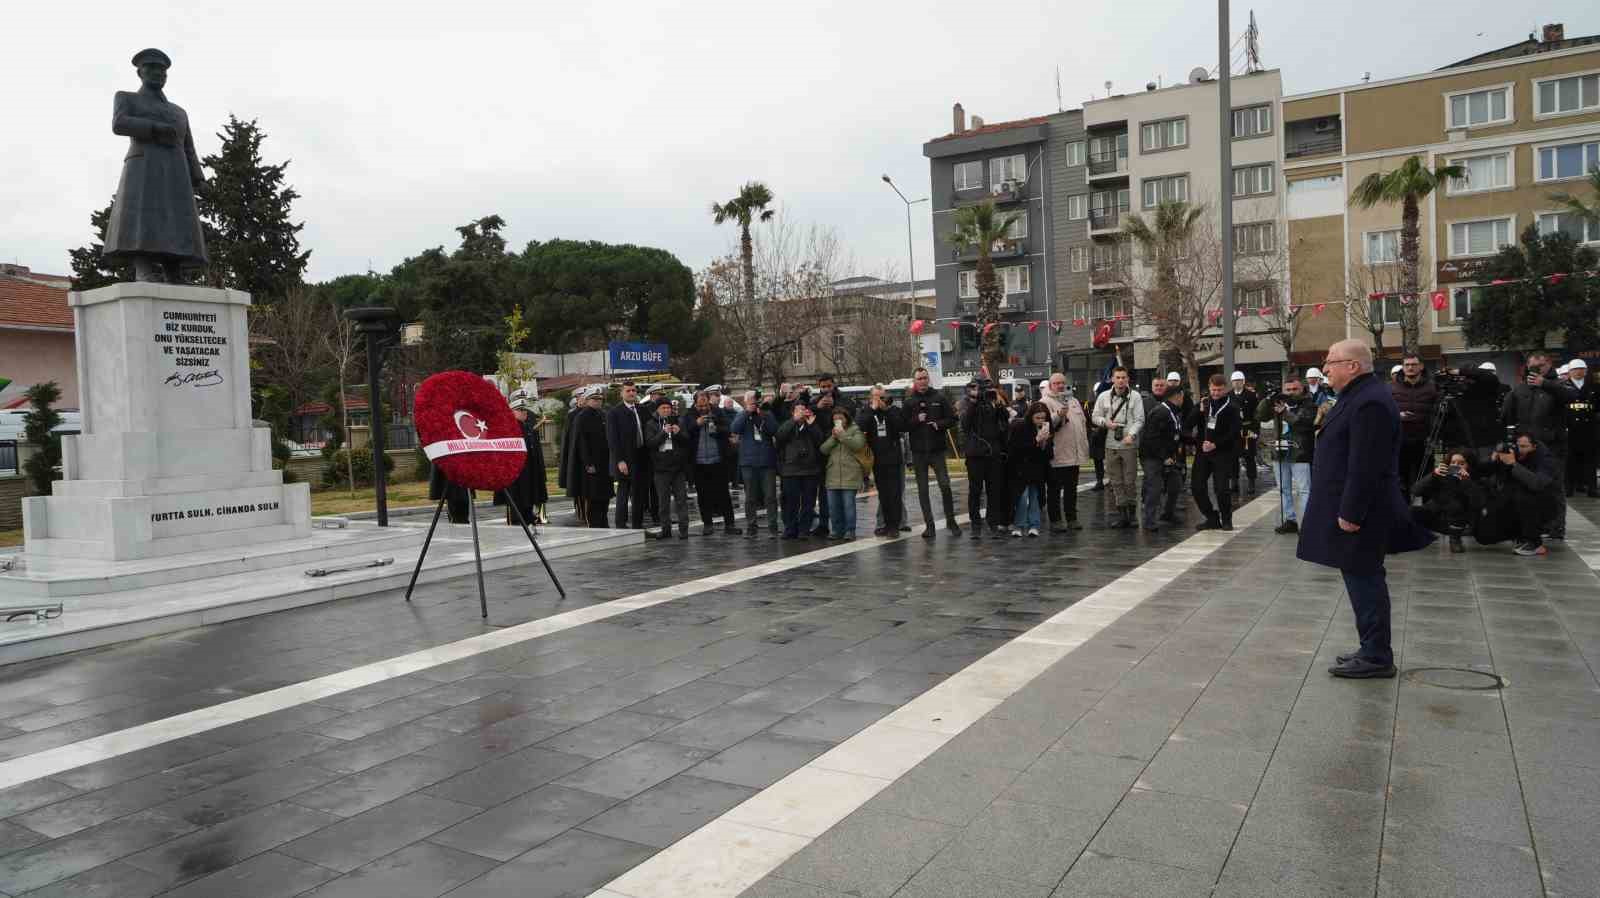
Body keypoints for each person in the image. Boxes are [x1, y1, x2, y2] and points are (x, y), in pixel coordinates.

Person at [1298, 339, 1434, 679]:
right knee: (1359, 578)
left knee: (1366, 579)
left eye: (1332, 361)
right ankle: (1370, 647)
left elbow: (1366, 464)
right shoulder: (1358, 396)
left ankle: (1376, 656)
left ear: (1353, 366)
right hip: (1353, 508)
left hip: (1363, 513)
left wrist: (1351, 512)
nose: (1326, 368)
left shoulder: (1370, 401)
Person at [1501, 351, 1569, 538]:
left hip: (1552, 445)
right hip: (1526, 446)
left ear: (1549, 365)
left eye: (1542, 365)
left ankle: (1556, 528)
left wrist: (1545, 383)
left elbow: (1570, 397)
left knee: (1554, 487)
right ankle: (1532, 525)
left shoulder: (1558, 384)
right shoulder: (1520, 389)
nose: (1538, 370)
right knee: (1526, 484)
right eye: (1533, 366)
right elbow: (1508, 415)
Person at [1478, 433, 1563, 556]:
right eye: (1518, 446)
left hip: (1543, 506)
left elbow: (1537, 484)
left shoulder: (1545, 459)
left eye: (1524, 446)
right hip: (1514, 504)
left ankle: (1534, 543)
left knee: (1523, 496)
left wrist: (1514, 464)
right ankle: (1520, 535)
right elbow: (1483, 471)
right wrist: (1492, 460)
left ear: (1534, 446)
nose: (1520, 449)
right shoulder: (1512, 454)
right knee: (1484, 536)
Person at [902, 368, 961, 538]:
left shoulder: (939, 398)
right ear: (915, 381)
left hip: (937, 451)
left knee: (945, 485)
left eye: (924, 378)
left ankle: (951, 522)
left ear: (928, 379)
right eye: (919, 378)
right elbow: (902, 425)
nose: (922, 381)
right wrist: (915, 420)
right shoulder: (909, 402)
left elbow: (952, 418)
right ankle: (930, 526)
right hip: (919, 452)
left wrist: (939, 424)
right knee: (922, 490)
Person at [1260, 375, 1316, 534]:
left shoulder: (1309, 404)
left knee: (1304, 489)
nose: (1291, 393)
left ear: (1302, 389)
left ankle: (1306, 524)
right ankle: (1289, 520)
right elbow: (1261, 416)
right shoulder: (1279, 403)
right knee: (1283, 488)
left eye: (1295, 389)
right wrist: (1268, 400)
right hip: (1280, 451)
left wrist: (1285, 412)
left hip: (1301, 452)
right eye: (1288, 390)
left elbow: (1304, 425)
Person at [1093, 367, 1145, 529]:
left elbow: (1140, 419)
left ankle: (1132, 514)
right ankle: (1122, 514)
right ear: (1112, 379)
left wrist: (1132, 434)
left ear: (1128, 379)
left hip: (1128, 444)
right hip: (1110, 443)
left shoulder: (1135, 396)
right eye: (1118, 377)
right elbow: (1095, 417)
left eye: (1123, 377)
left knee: (1129, 480)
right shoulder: (1103, 396)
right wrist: (1105, 423)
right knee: (1115, 481)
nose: (1121, 380)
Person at [1189, 374, 1241, 531]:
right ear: (1209, 388)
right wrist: (1198, 412)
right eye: (1213, 390)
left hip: (1222, 452)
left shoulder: (1232, 406)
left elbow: (1234, 432)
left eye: (1219, 390)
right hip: (1203, 451)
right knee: (1197, 486)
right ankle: (1211, 517)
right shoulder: (1204, 403)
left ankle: (1226, 519)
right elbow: (1188, 424)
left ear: (1225, 388)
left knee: (1221, 488)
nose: (1216, 393)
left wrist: (1216, 444)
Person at [961, 378, 1010, 538]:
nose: (985, 392)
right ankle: (976, 524)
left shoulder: (992, 402)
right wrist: (974, 402)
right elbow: (965, 425)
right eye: (982, 389)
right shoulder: (967, 403)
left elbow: (1004, 419)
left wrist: (998, 403)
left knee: (994, 490)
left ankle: (993, 523)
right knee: (975, 490)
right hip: (975, 454)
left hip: (993, 453)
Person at [1041, 373, 1089, 532]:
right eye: (1056, 383)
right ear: (1050, 385)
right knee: (1054, 490)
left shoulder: (1073, 401)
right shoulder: (1045, 402)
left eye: (1063, 383)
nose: (1060, 386)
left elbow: (1081, 423)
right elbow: (1043, 426)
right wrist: (1057, 415)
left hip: (1074, 454)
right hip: (1057, 454)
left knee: (1071, 489)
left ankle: (1072, 518)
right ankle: (1055, 520)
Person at [1411, 450, 1484, 554]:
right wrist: (1433, 475)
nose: (1456, 466)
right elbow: (1415, 490)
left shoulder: (1473, 479)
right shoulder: (1440, 476)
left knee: (1456, 505)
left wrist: (1466, 481)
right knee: (1411, 511)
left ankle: (1455, 541)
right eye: (1453, 463)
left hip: (1458, 523)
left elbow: (1478, 503)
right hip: (1436, 516)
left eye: (1461, 463)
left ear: (1469, 465)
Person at [495, 389, 550, 527]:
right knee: (516, 515)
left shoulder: (526, 427)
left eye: (524, 409)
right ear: (512, 411)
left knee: (527, 511)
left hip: (528, 476)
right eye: (520, 409)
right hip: (515, 479)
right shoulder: (507, 429)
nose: (524, 412)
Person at [858, 386, 906, 537]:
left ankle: (894, 526)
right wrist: (872, 410)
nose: (879, 400)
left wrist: (886, 410)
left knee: (895, 494)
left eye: (882, 397)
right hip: (877, 459)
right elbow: (860, 426)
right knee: (884, 494)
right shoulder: (866, 412)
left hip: (893, 458)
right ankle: (886, 524)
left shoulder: (893, 410)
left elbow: (901, 426)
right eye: (876, 397)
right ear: (871, 398)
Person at [731, 392, 780, 538]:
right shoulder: (742, 415)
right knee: (750, 497)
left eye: (756, 401)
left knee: (770, 497)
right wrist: (747, 412)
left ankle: (773, 527)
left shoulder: (767, 414)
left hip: (766, 461)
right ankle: (751, 527)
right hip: (749, 462)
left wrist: (763, 415)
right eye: (751, 402)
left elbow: (774, 430)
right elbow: (735, 428)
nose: (754, 404)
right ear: (746, 403)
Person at [1139, 380, 1186, 531]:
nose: (1183, 399)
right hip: (1152, 456)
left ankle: (1168, 513)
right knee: (1155, 487)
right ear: (1177, 396)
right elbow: (1152, 438)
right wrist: (1164, 457)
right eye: (1182, 396)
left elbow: (1174, 434)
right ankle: (1149, 521)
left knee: (1175, 483)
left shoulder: (1173, 411)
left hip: (1167, 455)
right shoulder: (1160, 412)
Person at [1391, 354, 1439, 497]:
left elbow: (1438, 413)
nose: (1410, 367)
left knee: (1425, 482)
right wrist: (1397, 416)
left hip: (1424, 442)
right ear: (1403, 367)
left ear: (1421, 366)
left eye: (1413, 364)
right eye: (1407, 365)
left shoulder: (1432, 388)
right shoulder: (1391, 388)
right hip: (1400, 442)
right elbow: (1383, 412)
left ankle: (1424, 514)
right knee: (1400, 482)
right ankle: (1403, 514)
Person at [776, 400, 824, 539]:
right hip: (790, 469)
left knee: (808, 502)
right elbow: (780, 436)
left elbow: (819, 440)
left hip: (810, 470)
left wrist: (812, 424)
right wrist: (793, 421)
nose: (802, 412)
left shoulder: (812, 424)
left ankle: (804, 529)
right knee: (790, 501)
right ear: (792, 412)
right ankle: (790, 528)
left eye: (804, 409)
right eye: (798, 410)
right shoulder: (787, 424)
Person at [644, 398, 692, 539]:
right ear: (657, 409)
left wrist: (678, 433)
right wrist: (664, 433)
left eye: (668, 407)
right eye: (663, 408)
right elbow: (650, 443)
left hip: (678, 468)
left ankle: (684, 530)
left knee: (681, 501)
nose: (666, 410)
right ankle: (666, 529)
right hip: (661, 469)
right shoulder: (651, 424)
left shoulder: (679, 421)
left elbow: (686, 441)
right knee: (663, 502)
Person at [605, 383, 650, 529]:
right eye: (628, 391)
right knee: (623, 493)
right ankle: (621, 525)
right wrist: (620, 460)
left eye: (633, 390)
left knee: (639, 494)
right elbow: (612, 439)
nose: (631, 393)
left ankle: (638, 526)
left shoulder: (642, 410)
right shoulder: (614, 412)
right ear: (621, 393)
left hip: (641, 457)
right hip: (624, 458)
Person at [820, 407, 867, 540]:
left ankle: (850, 530)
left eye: (840, 418)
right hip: (833, 473)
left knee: (848, 505)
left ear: (847, 418)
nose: (838, 421)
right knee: (833, 506)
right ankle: (836, 530)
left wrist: (843, 435)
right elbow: (823, 449)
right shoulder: (831, 432)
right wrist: (834, 438)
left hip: (850, 472)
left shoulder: (855, 430)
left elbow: (858, 445)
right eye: (835, 419)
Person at [1006, 402, 1052, 537]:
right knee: (1022, 496)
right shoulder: (1020, 427)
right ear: (1031, 416)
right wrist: (1036, 440)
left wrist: (1043, 443)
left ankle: (1034, 524)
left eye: (1043, 418)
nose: (1040, 421)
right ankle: (1019, 524)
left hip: (1037, 468)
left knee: (1035, 496)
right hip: (1020, 468)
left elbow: (1048, 454)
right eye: (1037, 418)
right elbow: (1016, 449)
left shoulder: (1047, 428)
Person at [570, 387, 613, 528]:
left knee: (604, 497)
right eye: (594, 399)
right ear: (587, 400)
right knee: (593, 497)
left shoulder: (603, 414)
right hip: (591, 465)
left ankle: (603, 522)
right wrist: (588, 463)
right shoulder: (582, 417)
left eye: (600, 399)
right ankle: (594, 525)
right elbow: (581, 442)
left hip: (605, 463)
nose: (598, 402)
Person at [1561, 359, 1597, 497]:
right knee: (1570, 459)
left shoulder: (1593, 387)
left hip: (1589, 428)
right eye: (1575, 369)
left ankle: (1592, 488)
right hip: (1570, 427)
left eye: (1582, 369)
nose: (1579, 371)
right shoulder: (1563, 386)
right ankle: (1568, 487)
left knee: (1590, 459)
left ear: (1586, 371)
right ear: (1570, 371)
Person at [1227, 372, 1260, 497]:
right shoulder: (1228, 396)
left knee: (1249, 457)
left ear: (1244, 381)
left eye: (1240, 380)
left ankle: (1251, 482)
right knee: (1232, 458)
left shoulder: (1251, 396)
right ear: (1231, 382)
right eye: (1235, 380)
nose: (1237, 382)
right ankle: (1233, 482)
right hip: (1233, 431)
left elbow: (1257, 415)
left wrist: (1255, 431)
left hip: (1248, 429)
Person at [1088, 381, 1109, 491]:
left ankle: (1111, 481)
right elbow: (1087, 419)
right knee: (1097, 460)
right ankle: (1099, 481)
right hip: (1096, 437)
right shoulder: (1090, 404)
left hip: (1108, 434)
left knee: (1111, 460)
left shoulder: (1109, 402)